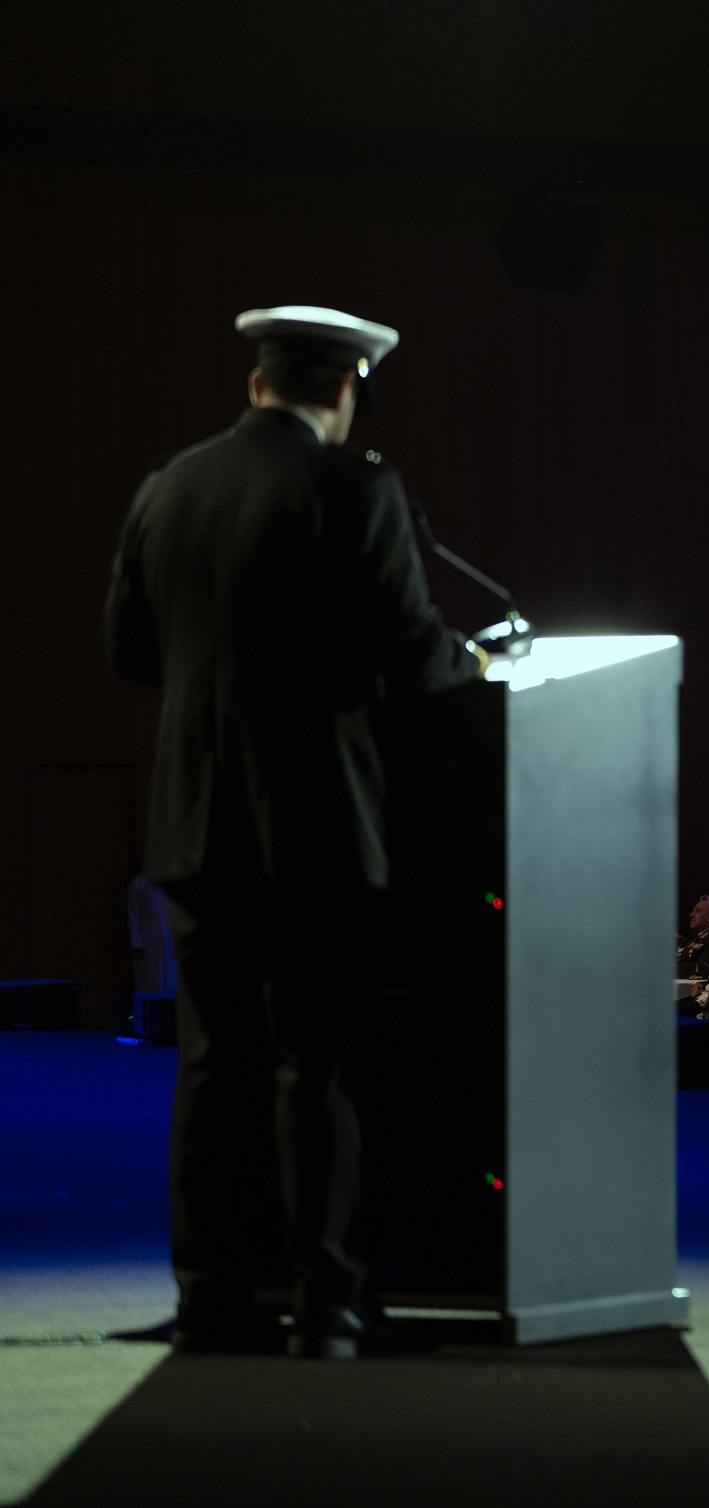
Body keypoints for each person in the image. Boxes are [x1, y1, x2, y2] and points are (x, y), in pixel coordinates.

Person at [105, 304, 482, 1359]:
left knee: (212, 1062)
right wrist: (477, 665)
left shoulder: (165, 486)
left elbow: (129, 649)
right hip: (314, 822)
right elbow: (415, 655)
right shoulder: (355, 486)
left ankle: (213, 1295)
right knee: (316, 1065)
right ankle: (324, 1300)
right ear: (344, 388)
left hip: (192, 822)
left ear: (257, 382)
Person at [126, 873, 177, 997]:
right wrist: (136, 943)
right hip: (148, 946)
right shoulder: (138, 883)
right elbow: (132, 915)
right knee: (149, 982)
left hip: (169, 944)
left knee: (169, 982)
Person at [678, 896, 709, 977]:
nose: (691, 914)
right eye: (693, 911)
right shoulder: (690, 939)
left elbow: (701, 974)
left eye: (697, 911)